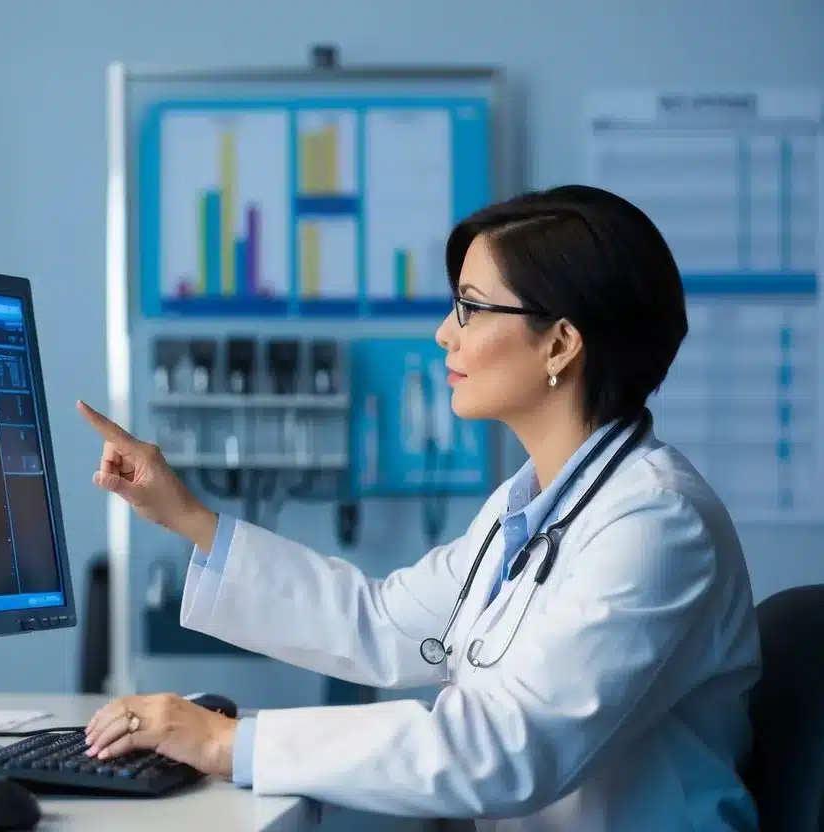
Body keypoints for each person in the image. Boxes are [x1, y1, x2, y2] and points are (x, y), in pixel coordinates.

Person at [76, 185, 762, 830]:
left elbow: (505, 748)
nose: (444, 332)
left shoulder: (656, 525)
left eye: (469, 306)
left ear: (559, 342)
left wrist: (230, 743)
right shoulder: (528, 507)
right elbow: (381, 622)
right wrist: (183, 514)